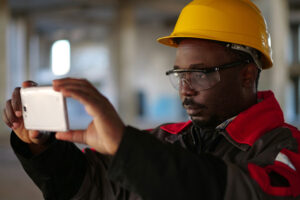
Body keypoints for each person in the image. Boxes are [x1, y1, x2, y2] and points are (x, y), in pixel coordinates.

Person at [2, 0, 300, 199]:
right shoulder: (165, 141)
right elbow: (95, 187)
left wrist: (128, 149)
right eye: (179, 74)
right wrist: (42, 148)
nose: (185, 88)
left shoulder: (285, 148)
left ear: (247, 75)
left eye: (200, 74)